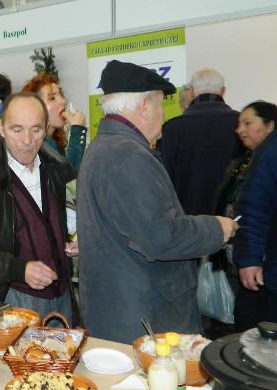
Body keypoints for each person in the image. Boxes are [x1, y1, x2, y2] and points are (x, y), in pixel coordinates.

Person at [76, 60, 239, 343]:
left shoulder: (102, 148)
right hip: (144, 319)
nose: (163, 114)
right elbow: (161, 237)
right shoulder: (128, 157)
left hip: (121, 312)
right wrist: (216, 228)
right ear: (144, 107)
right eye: (161, 105)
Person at [0, 92, 77, 320]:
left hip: (63, 296)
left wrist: (72, 238)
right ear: (1, 127)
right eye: (17, 129)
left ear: (46, 128)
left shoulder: (57, 168)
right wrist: (20, 269)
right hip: (13, 300)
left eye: (36, 130)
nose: (27, 140)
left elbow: (61, 219)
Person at [161, 68, 244, 215]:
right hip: (231, 218)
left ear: (192, 92)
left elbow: (165, 182)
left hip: (188, 219)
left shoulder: (172, 128)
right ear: (223, 91)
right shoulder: (241, 124)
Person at [232, 101, 277, 327]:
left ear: (270, 125)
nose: (239, 130)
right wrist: (250, 259)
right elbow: (253, 208)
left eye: (248, 123)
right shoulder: (268, 152)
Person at [21, 73, 87, 171]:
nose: (63, 101)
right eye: (52, 98)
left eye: (61, 95)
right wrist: (78, 131)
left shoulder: (51, 141)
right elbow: (67, 175)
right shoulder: (35, 146)